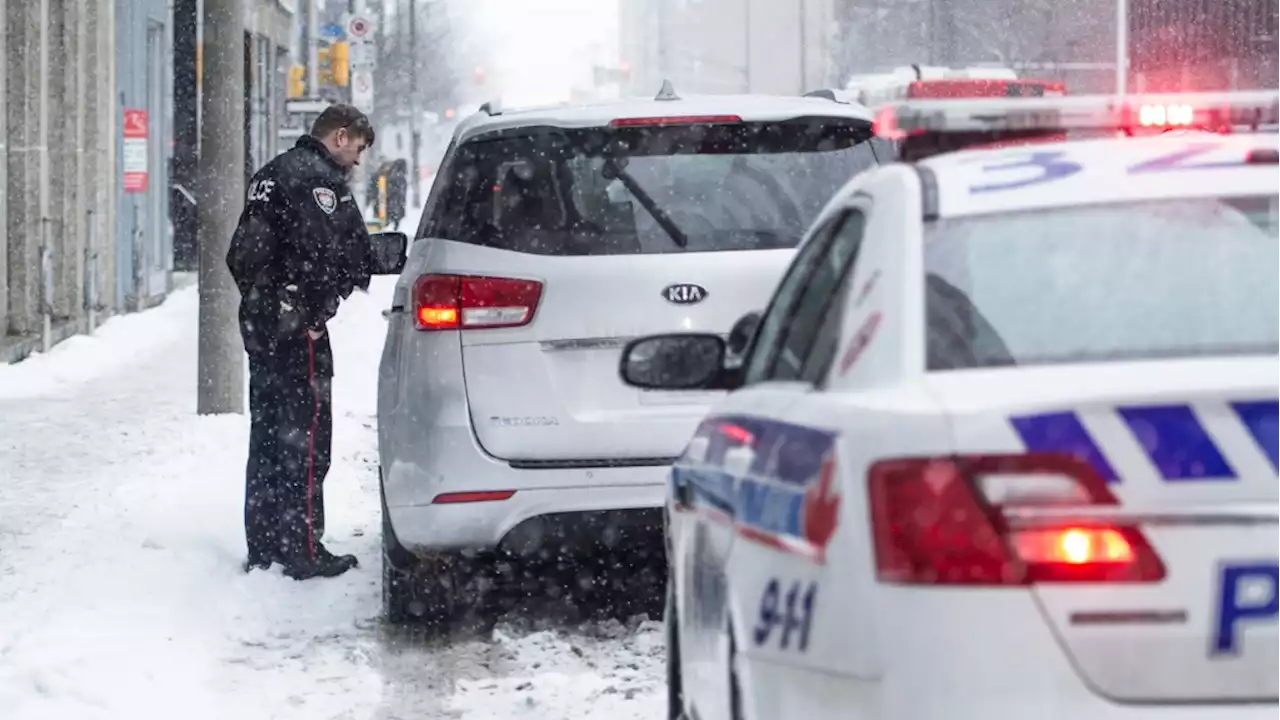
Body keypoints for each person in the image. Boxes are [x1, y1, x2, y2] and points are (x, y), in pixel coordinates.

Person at [225, 104, 376, 580]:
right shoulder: (320, 182)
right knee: (307, 438)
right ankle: (303, 549)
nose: (356, 160)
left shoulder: (269, 175)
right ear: (340, 135)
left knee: (268, 435)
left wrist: (266, 299)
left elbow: (241, 254)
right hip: (296, 327)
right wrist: (314, 312)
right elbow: (336, 253)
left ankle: (264, 546)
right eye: (357, 148)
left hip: (261, 320)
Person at [387, 158, 408, 230]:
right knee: (395, 224)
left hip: (392, 204)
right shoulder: (400, 177)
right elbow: (401, 193)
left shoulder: (391, 175)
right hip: (396, 204)